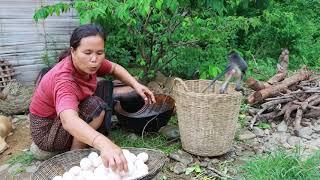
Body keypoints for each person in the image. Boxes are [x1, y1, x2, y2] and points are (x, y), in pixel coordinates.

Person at [29, 24, 156, 173]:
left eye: (100, 52)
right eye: (87, 52)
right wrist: (104, 144)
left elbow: (114, 68)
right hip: (46, 131)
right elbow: (68, 120)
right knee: (96, 106)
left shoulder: (89, 64)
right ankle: (74, 157)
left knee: (98, 97)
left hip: (58, 123)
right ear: (73, 51)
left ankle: (82, 144)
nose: (94, 59)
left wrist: (136, 85)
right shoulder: (64, 79)